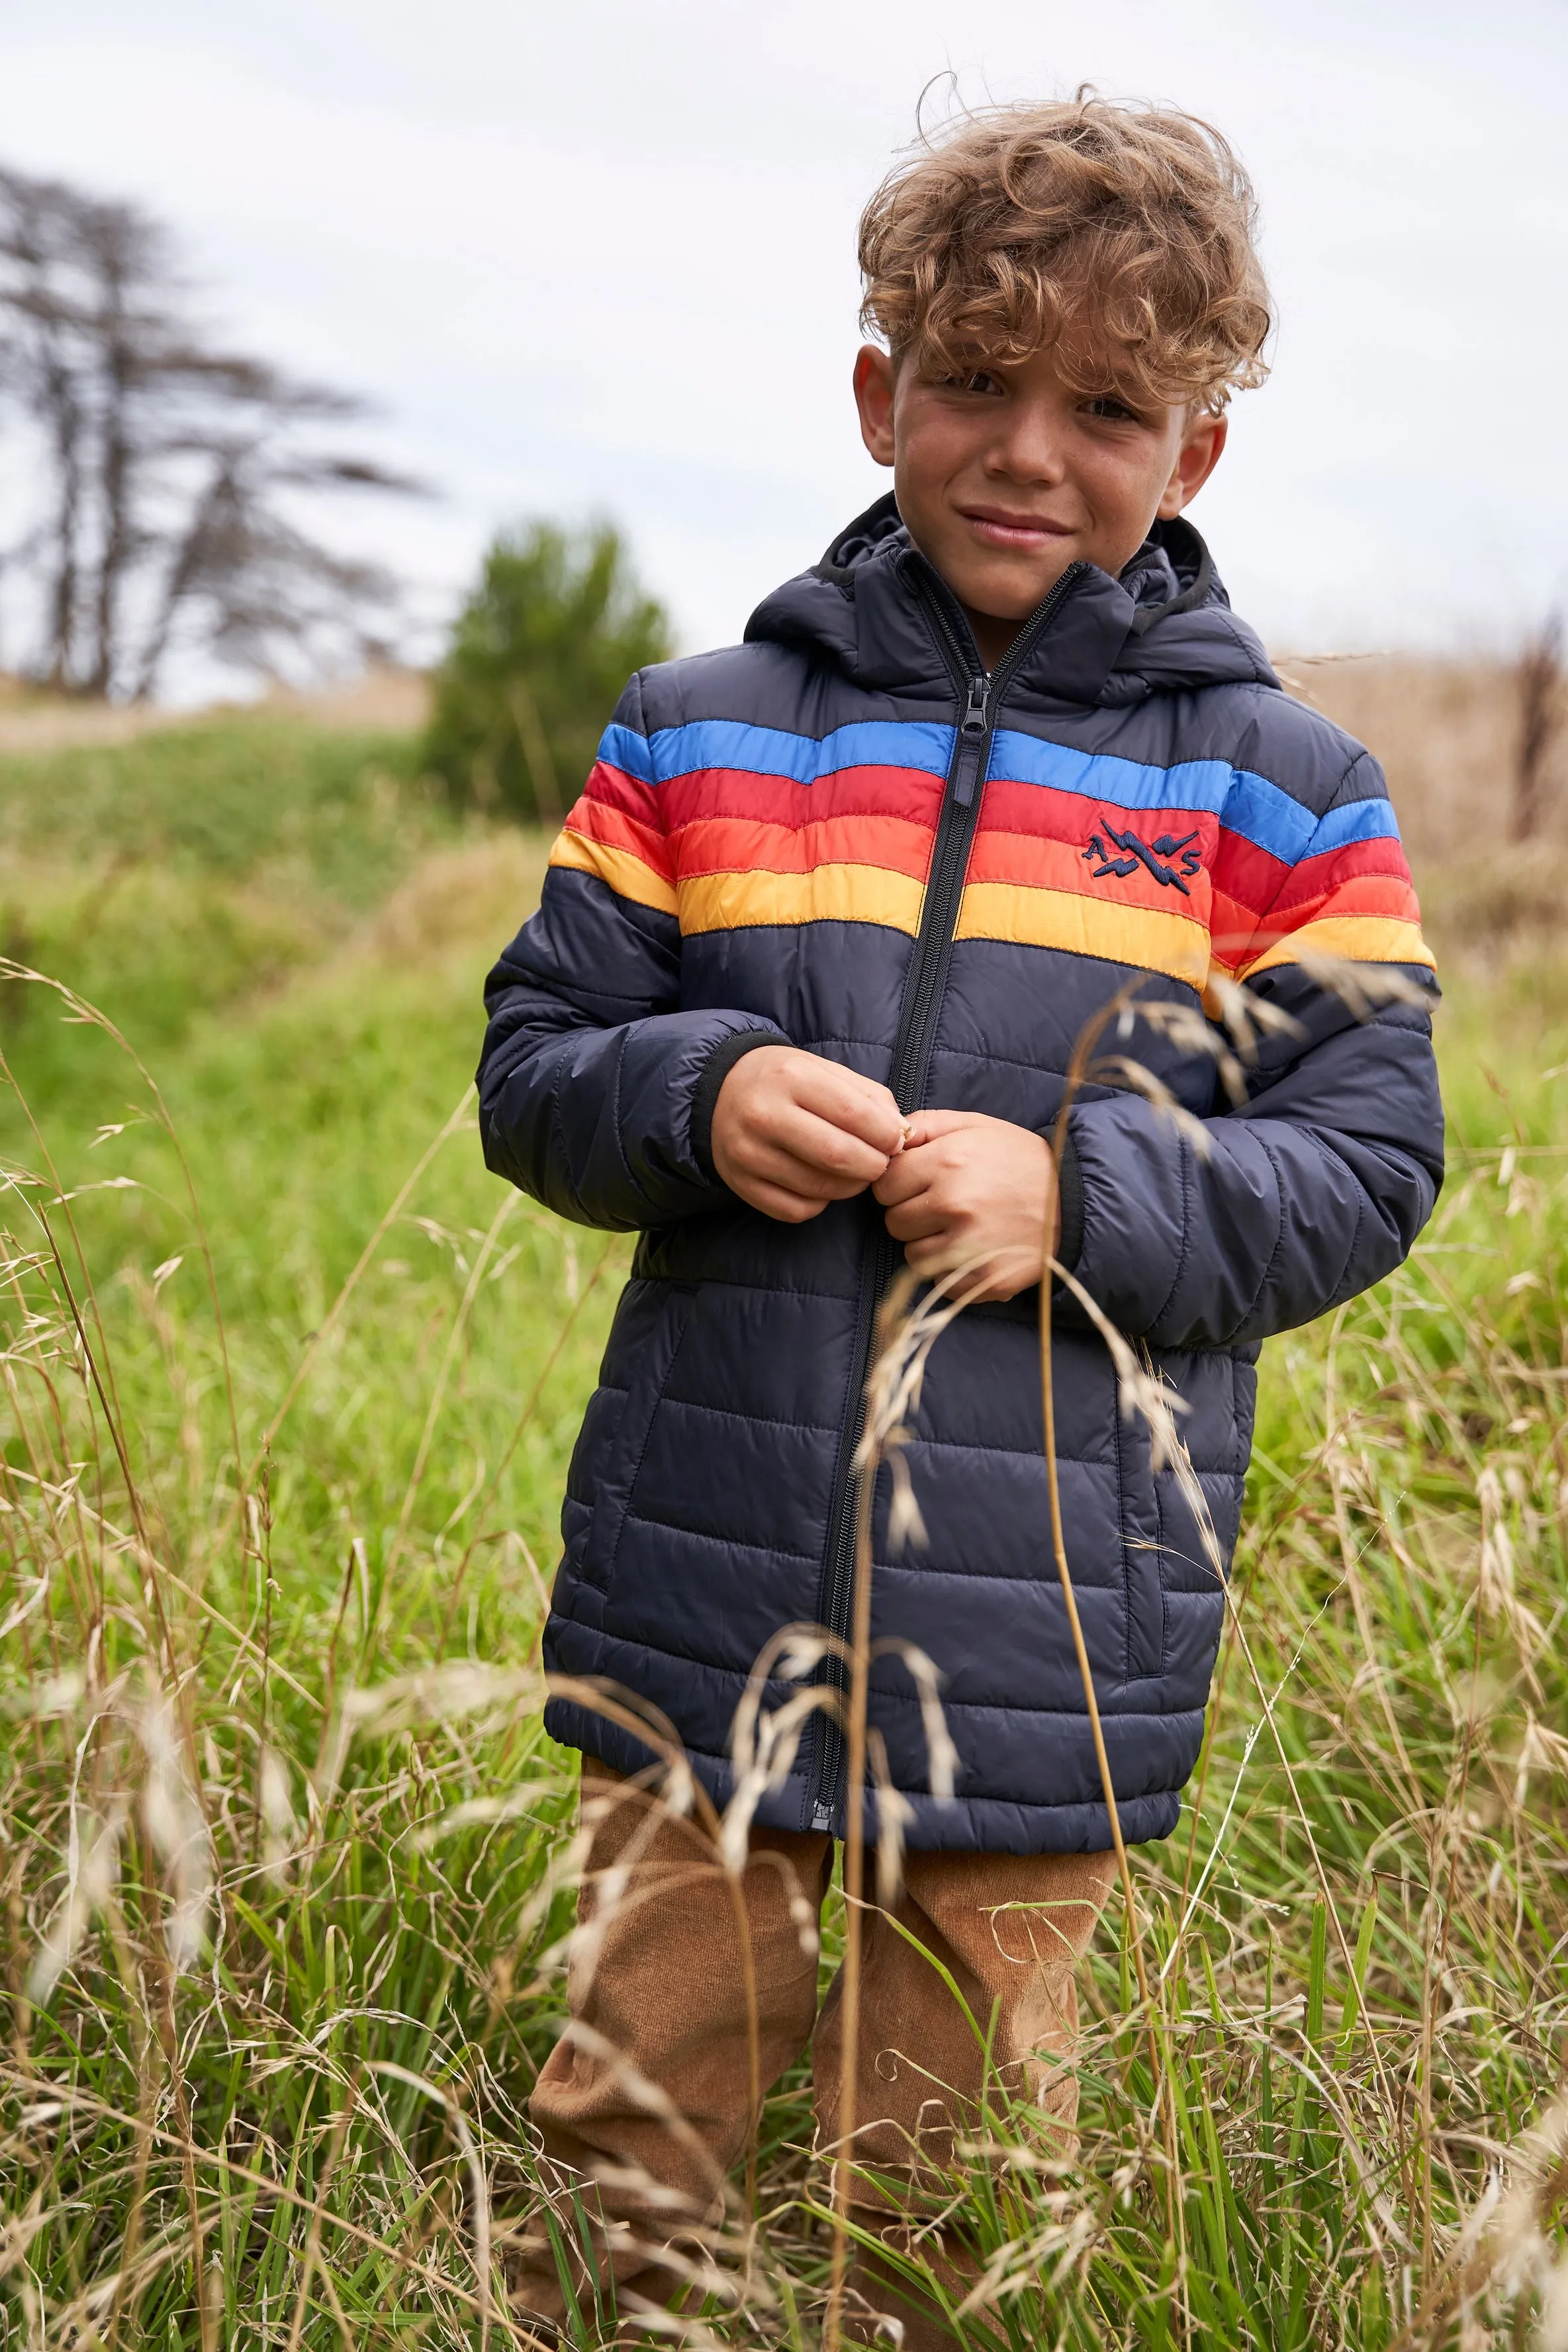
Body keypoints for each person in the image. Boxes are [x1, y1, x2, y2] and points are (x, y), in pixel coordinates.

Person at [477, 95, 1444, 2346]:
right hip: (703, 1628)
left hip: (1048, 1667)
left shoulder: (1288, 793)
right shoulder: (698, 732)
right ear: (876, 391)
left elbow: (1372, 1159)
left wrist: (1085, 1192)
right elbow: (538, 1067)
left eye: (1109, 406)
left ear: (1193, 448)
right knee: (640, 2142)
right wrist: (696, 1090)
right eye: (974, 381)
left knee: (949, 2197)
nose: (1031, 451)